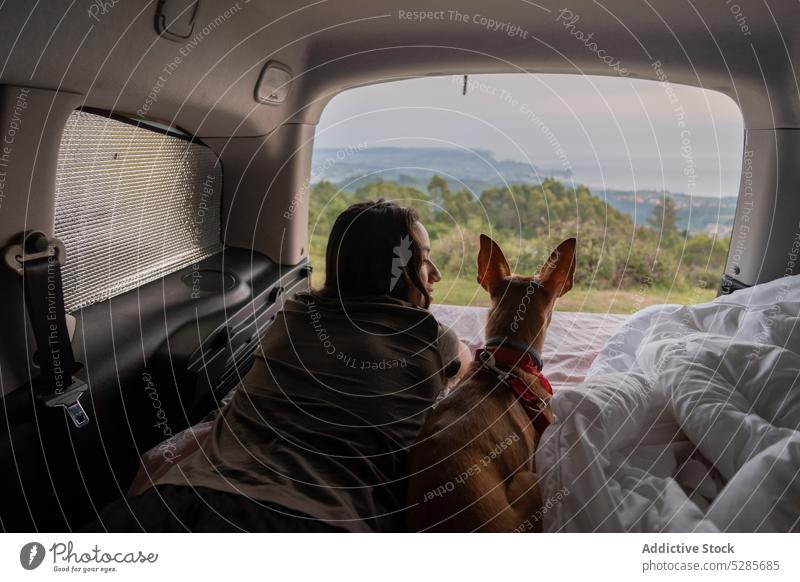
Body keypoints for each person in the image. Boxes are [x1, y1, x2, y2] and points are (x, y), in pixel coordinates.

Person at [89, 199, 471, 532]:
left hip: (179, 500)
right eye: (422, 258)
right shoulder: (435, 341)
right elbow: (467, 368)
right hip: (314, 521)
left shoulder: (295, 314)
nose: (435, 274)